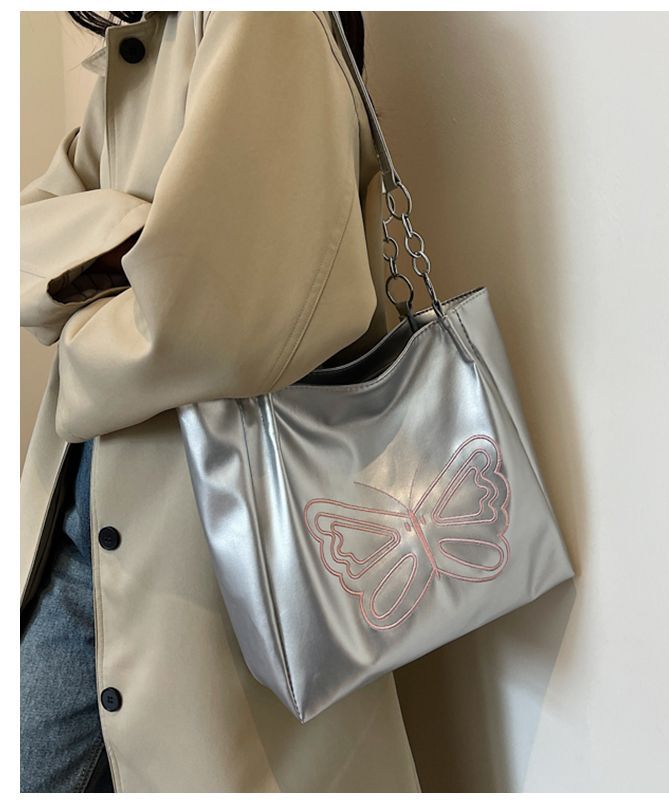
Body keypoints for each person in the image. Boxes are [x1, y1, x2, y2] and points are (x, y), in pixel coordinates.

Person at [20, 10, 420, 793]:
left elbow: (218, 319)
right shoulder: (147, 40)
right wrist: (148, 242)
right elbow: (25, 238)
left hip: (209, 550)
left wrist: (83, 336)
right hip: (85, 530)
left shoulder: (257, 20)